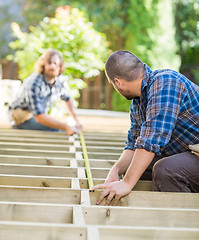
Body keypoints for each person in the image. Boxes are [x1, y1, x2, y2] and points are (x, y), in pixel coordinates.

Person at [91, 50, 199, 205]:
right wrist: (116, 171)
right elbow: (134, 145)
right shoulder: (138, 102)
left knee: (166, 170)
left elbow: (152, 140)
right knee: (138, 169)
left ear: (118, 82)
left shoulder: (166, 83)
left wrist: (127, 183)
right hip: (189, 154)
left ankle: (183, 224)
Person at [10, 49, 82, 135]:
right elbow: (39, 117)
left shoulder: (60, 81)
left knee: (57, 127)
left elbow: (67, 99)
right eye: (49, 63)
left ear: (60, 67)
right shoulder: (34, 82)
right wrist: (66, 127)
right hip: (21, 117)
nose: (52, 66)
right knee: (55, 130)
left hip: (37, 116)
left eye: (55, 63)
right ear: (43, 66)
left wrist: (76, 120)